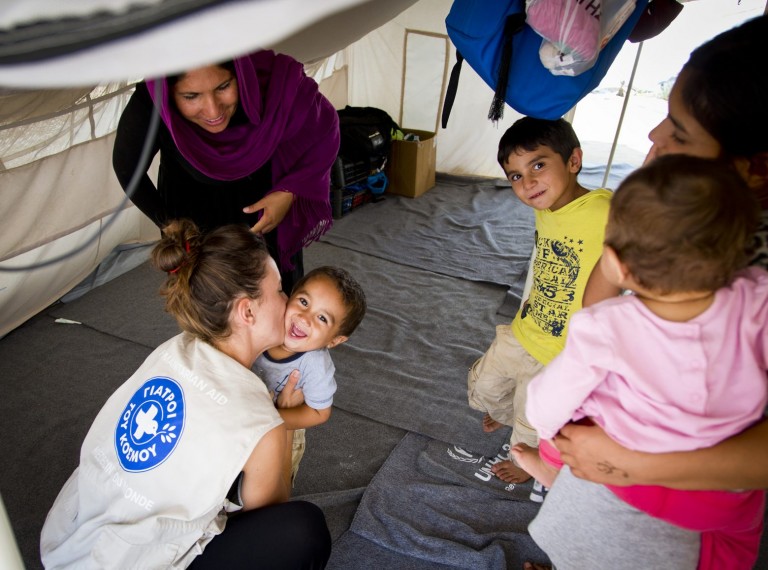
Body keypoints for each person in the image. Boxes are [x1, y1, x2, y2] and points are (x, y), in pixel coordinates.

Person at [520, 15, 768, 570]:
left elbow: (550, 396)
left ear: (751, 170)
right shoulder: (753, 289)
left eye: (678, 130)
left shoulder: (608, 328)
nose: (655, 138)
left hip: (661, 496)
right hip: (712, 501)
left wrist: (622, 460)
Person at [40, 219, 332, 569]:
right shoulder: (263, 423)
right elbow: (267, 513)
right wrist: (284, 425)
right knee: (303, 530)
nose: (287, 303)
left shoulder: (173, 348)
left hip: (66, 541)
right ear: (247, 310)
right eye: (281, 291)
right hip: (128, 561)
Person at [112, 49, 340, 293]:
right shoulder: (153, 99)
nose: (213, 111)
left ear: (239, 74)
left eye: (223, 87)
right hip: (197, 225)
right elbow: (128, 169)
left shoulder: (268, 80)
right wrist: (170, 224)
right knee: (213, 308)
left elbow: (324, 128)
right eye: (191, 96)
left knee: (277, 297)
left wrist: (288, 193)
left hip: (266, 217)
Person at [466, 117, 612, 483]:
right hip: (525, 327)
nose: (528, 183)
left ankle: (526, 463)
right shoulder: (545, 207)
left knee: (534, 416)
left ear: (574, 161)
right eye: (515, 175)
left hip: (563, 350)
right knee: (484, 387)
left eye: (539, 165)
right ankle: (503, 413)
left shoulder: (606, 211)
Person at [252, 265, 367, 483]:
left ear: (334, 340)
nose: (305, 318)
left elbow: (319, 412)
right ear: (291, 294)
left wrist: (273, 421)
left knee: (268, 481)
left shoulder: (314, 365)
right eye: (304, 302)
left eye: (322, 318)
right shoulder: (267, 323)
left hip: (282, 428)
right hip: (245, 411)